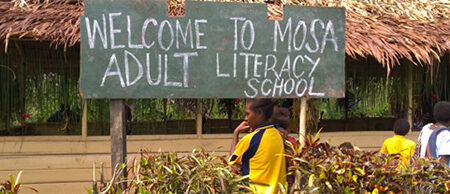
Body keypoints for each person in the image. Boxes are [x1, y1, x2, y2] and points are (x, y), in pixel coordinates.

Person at [229, 99, 287, 193]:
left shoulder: (250, 139)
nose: (246, 118)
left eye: (248, 114)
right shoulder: (278, 135)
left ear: (260, 113)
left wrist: (236, 133)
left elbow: (232, 162)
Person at [270, 107, 297, 192]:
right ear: (288, 127)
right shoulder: (292, 142)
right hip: (288, 185)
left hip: (271, 185)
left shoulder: (268, 139)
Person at [425, 101, 450, 166]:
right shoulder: (446, 135)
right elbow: (444, 163)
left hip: (425, 173)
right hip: (437, 174)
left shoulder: (426, 129)